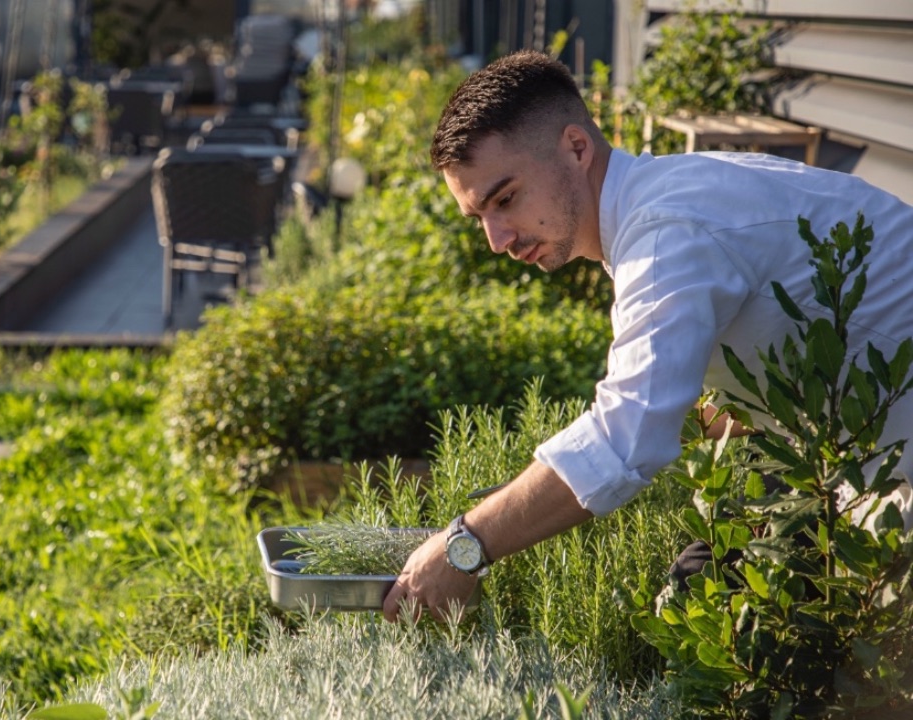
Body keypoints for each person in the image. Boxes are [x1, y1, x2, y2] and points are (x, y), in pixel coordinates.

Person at [382, 49, 913, 623]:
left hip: (891, 475)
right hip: (857, 456)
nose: (497, 238)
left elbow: (626, 437)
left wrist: (465, 545)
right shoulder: (662, 200)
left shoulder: (666, 232)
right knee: (705, 588)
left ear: (576, 148)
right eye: (479, 216)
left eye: (505, 199)